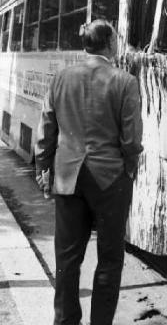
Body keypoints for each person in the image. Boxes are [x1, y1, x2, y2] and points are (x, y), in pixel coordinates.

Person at [35, 19, 143, 325]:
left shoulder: (61, 78)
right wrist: (130, 169)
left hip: (68, 177)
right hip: (110, 179)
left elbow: (46, 129)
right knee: (109, 259)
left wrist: (44, 167)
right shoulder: (125, 81)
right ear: (109, 44)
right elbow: (132, 140)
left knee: (67, 258)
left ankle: (65, 321)